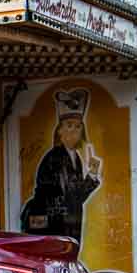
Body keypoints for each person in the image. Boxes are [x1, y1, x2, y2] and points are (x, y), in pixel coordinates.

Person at [20, 87, 102, 246]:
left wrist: (91, 174)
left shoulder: (75, 157)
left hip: (68, 228)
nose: (74, 131)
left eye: (78, 127)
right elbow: (72, 197)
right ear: (60, 131)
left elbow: (74, 196)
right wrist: (92, 175)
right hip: (55, 229)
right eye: (69, 125)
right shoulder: (55, 158)